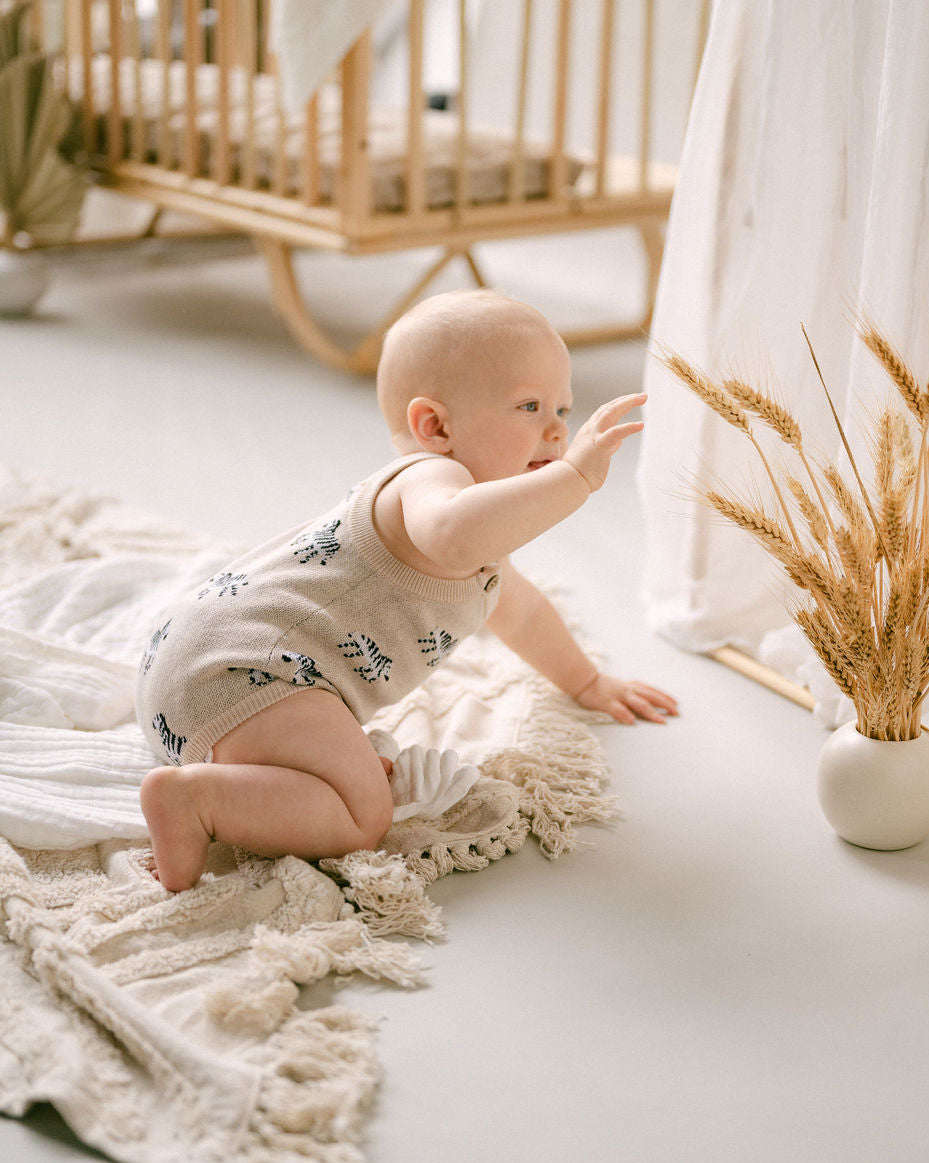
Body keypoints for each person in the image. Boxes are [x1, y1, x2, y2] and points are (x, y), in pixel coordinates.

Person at [136, 288, 678, 891]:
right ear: (435, 426)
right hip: (243, 675)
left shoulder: (480, 545)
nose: (556, 432)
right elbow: (452, 534)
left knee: (355, 777)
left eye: (563, 409)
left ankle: (240, 774)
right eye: (529, 406)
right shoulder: (429, 482)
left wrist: (588, 683)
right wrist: (574, 479)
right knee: (362, 815)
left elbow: (520, 615)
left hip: (204, 668)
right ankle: (194, 802)